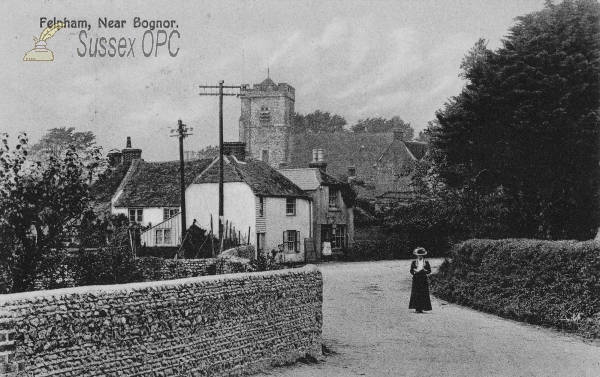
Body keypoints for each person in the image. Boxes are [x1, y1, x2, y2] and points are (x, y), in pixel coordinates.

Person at [409, 247, 432, 313]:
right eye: (419, 255)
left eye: (421, 255)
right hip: (416, 278)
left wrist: (425, 270)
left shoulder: (426, 262)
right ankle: (417, 307)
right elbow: (411, 270)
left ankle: (422, 307)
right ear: (416, 255)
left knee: (423, 292)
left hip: (423, 278)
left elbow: (429, 271)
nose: (420, 256)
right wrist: (414, 271)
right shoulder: (414, 262)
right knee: (416, 292)